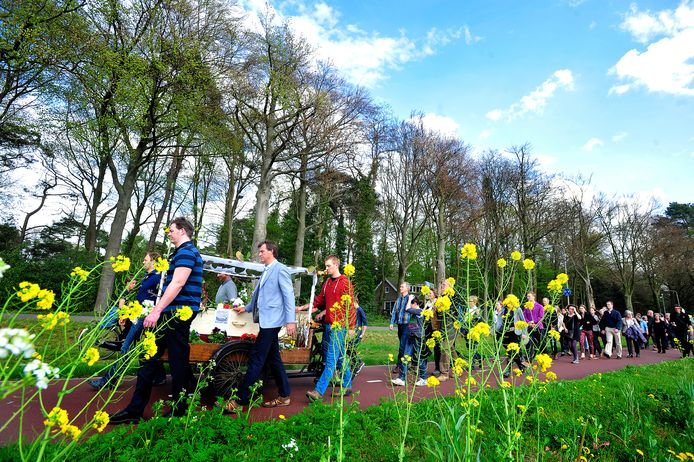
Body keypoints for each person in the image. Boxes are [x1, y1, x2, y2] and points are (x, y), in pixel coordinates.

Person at [110, 217, 203, 424]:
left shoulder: (187, 252)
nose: (168, 233)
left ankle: (180, 408)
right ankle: (135, 410)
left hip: (178, 312)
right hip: (169, 312)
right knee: (149, 357)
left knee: (176, 360)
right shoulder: (179, 253)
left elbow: (178, 283)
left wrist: (156, 311)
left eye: (171, 230)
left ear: (182, 231)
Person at [224, 241, 297, 411]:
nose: (260, 254)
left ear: (271, 251)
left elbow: (289, 296)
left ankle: (240, 400)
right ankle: (285, 395)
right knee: (274, 359)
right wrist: (247, 307)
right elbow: (259, 296)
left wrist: (291, 320)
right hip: (266, 320)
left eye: (262, 251)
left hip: (273, 321)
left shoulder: (280, 269)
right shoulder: (265, 270)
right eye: (260, 251)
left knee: (257, 358)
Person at [89, 252, 165, 390]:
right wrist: (126, 313)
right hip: (137, 317)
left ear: (153, 262)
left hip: (143, 318)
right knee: (141, 348)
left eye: (145, 259)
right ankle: (160, 377)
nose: (143, 262)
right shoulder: (147, 277)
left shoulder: (157, 278)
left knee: (126, 349)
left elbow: (157, 298)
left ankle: (108, 381)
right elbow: (138, 298)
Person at [305, 255, 356, 401]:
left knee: (331, 359)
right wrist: (302, 308)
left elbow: (350, 306)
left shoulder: (345, 282)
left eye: (328, 266)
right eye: (325, 266)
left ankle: (318, 391)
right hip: (328, 325)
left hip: (340, 326)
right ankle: (347, 385)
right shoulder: (327, 283)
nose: (326, 269)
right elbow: (318, 301)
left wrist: (351, 326)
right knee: (339, 357)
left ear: (336, 265)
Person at [391, 298, 428, 387]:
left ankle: (423, 378)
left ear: (415, 303)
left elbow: (407, 309)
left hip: (418, 338)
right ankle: (401, 378)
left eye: (412, 304)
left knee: (419, 358)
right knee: (406, 357)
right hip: (411, 338)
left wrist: (409, 300)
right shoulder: (415, 313)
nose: (410, 305)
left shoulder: (420, 312)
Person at [389, 282, 415, 374]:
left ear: (407, 289)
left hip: (407, 325)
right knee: (403, 345)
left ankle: (400, 365)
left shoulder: (411, 299)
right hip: (400, 325)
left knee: (402, 346)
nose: (400, 288)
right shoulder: (398, 299)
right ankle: (408, 364)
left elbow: (414, 312)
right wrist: (392, 323)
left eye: (402, 287)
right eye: (400, 286)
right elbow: (394, 311)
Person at [424, 287, 443, 378]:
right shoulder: (427, 303)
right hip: (427, 327)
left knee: (437, 348)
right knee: (424, 345)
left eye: (430, 293)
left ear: (434, 294)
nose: (429, 294)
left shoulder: (437, 302)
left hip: (435, 328)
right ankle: (423, 366)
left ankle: (437, 368)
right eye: (428, 293)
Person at [523, 292, 545, 361]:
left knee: (541, 343)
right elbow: (524, 316)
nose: (528, 298)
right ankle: (529, 358)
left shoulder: (539, 306)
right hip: (529, 327)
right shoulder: (526, 307)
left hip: (538, 327)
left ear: (533, 297)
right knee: (529, 343)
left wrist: (535, 323)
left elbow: (541, 317)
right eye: (527, 296)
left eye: (529, 296)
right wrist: (529, 323)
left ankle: (543, 357)